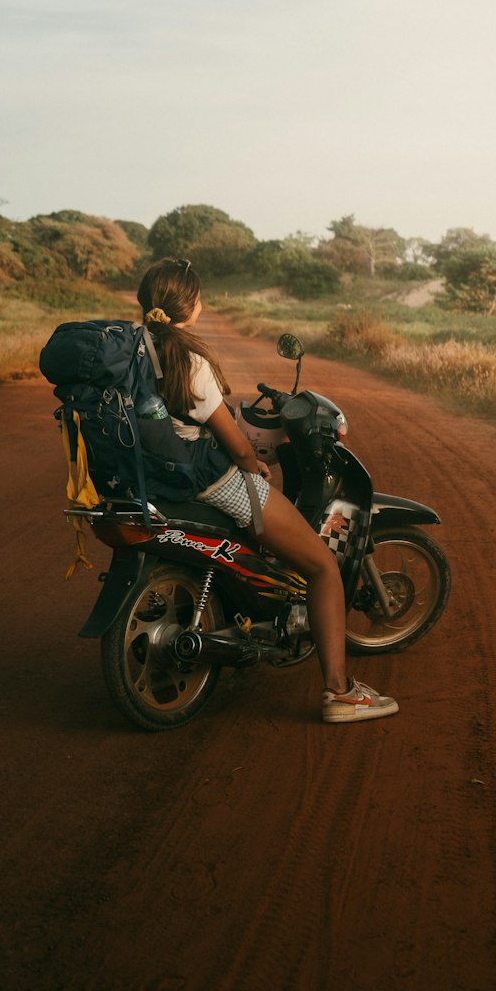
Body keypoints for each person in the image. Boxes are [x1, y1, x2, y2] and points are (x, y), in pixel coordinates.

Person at [137, 258, 399, 726]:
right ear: (189, 306)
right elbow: (234, 442)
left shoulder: (133, 351)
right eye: (197, 297)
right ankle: (340, 691)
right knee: (321, 565)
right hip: (207, 481)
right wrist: (254, 464)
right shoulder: (189, 361)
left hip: (154, 478)